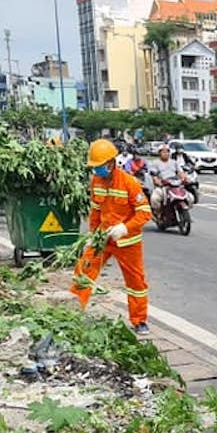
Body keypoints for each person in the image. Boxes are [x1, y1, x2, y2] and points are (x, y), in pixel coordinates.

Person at [69, 139, 153, 335]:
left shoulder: (129, 183)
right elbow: (96, 211)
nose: (96, 171)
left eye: (99, 167)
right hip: (103, 238)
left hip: (127, 241)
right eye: (94, 167)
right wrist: (92, 233)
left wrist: (125, 228)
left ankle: (139, 320)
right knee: (84, 270)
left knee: (136, 283)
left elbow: (144, 212)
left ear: (110, 163)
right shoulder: (96, 181)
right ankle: (73, 311)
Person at [148, 144, 186, 216]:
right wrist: (157, 181)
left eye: (167, 151)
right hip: (163, 186)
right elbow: (154, 175)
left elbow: (180, 172)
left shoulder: (174, 162)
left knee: (189, 197)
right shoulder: (155, 163)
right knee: (155, 198)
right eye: (163, 152)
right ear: (159, 153)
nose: (166, 153)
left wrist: (184, 178)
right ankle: (158, 213)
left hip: (174, 185)